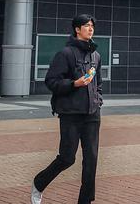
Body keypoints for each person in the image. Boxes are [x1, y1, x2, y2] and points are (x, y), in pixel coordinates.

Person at [32, 15, 103, 204]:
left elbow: (98, 83)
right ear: (77, 29)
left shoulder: (96, 55)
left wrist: (98, 99)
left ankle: (85, 201)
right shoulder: (65, 54)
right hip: (71, 115)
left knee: (91, 159)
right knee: (67, 158)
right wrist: (74, 84)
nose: (90, 29)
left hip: (92, 114)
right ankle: (39, 183)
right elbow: (51, 81)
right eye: (86, 26)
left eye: (92, 26)